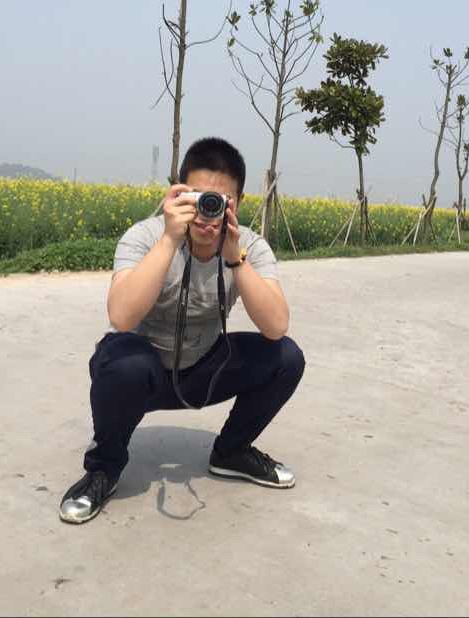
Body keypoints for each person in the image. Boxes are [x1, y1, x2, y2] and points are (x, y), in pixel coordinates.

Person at [59, 137, 306, 524]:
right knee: (121, 361)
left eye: (220, 201)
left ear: (238, 203)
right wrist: (170, 239)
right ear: (178, 193)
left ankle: (231, 452)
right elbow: (121, 317)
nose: (208, 213)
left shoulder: (249, 247)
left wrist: (235, 260)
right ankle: (104, 469)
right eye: (198, 198)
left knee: (286, 357)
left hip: (203, 369)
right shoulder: (145, 236)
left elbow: (276, 326)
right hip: (143, 374)